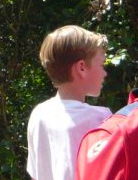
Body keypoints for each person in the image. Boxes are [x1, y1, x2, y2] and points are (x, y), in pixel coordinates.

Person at [26, 25, 111, 180]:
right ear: (81, 68)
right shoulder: (100, 118)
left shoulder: (39, 114)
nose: (105, 73)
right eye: (102, 64)